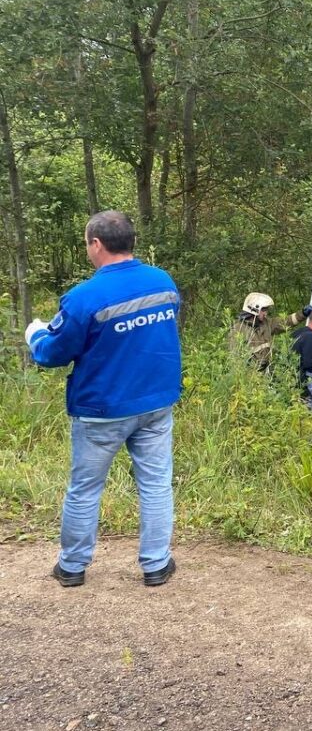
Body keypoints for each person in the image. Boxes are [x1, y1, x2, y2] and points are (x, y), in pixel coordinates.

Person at [25, 210, 182, 588]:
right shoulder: (162, 282)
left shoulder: (84, 298)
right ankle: (156, 565)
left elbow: (52, 353)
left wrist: (35, 335)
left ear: (97, 243)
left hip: (101, 411)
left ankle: (73, 567)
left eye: (86, 244)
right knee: (156, 484)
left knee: (85, 489)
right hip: (156, 404)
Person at [229, 292, 311, 370]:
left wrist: (303, 314)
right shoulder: (238, 329)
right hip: (250, 376)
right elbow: (235, 358)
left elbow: (285, 322)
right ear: (254, 309)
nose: (265, 313)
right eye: (263, 310)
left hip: (267, 373)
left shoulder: (266, 323)